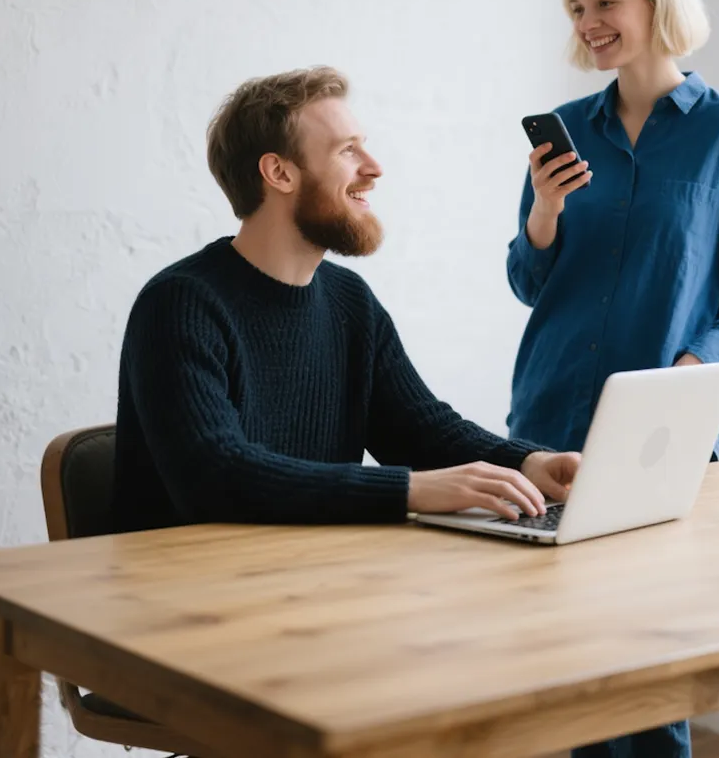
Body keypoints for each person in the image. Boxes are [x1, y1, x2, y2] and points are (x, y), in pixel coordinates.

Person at [506, 0, 719, 758]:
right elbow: (529, 282)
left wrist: (697, 365)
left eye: (604, 3)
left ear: (654, 1)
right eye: (576, 8)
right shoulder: (562, 129)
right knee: (554, 658)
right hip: (546, 413)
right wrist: (544, 215)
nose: (588, 23)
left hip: (660, 430)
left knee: (647, 656)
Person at [113, 66, 580, 535]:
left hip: (308, 577)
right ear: (279, 172)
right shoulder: (180, 305)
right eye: (347, 151)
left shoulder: (348, 301)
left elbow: (421, 431)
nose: (374, 168)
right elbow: (214, 476)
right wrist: (410, 491)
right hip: (185, 591)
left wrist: (529, 462)